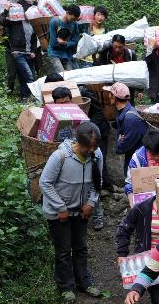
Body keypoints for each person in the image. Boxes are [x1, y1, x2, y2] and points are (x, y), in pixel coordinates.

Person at [39, 122, 104, 302]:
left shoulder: (97, 155)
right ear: (78, 143)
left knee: (81, 247)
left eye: (95, 147)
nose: (91, 151)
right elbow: (45, 183)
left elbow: (97, 182)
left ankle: (84, 282)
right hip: (58, 213)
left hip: (81, 211)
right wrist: (60, 207)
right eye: (88, 147)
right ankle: (66, 286)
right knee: (63, 250)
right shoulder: (60, 156)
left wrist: (91, 203)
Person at [46, 73, 112, 228]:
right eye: (60, 103)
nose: (64, 106)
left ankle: (97, 215)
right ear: (55, 104)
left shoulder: (79, 116)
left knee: (93, 179)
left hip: (84, 155)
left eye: (67, 102)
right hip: (66, 156)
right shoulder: (51, 116)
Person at [0, 0, 38, 101]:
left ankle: (24, 97)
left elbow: (34, 39)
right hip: (18, 53)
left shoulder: (32, 24)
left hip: (29, 53)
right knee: (30, 76)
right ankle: (36, 97)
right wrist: (6, 9)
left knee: (23, 77)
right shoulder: (15, 21)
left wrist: (33, 51)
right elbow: (1, 21)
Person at [108, 82, 149, 172]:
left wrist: (119, 141)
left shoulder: (130, 118)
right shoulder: (122, 112)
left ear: (114, 97)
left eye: (110, 93)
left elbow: (123, 146)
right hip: (132, 158)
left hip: (138, 164)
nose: (108, 96)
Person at [47, 4, 81, 73]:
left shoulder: (74, 24)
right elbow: (53, 42)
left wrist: (65, 43)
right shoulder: (54, 21)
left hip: (67, 54)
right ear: (67, 13)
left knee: (70, 75)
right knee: (61, 74)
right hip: (54, 53)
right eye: (72, 19)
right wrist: (64, 44)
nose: (73, 21)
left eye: (75, 20)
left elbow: (75, 41)